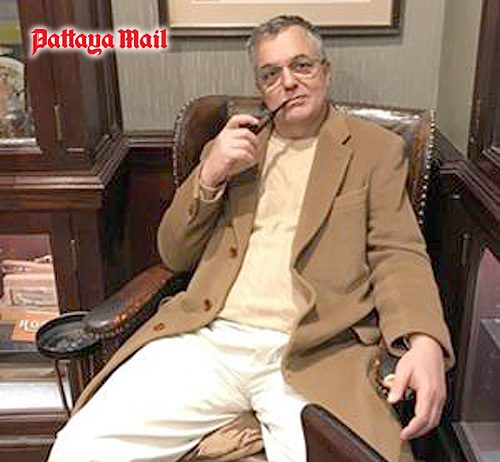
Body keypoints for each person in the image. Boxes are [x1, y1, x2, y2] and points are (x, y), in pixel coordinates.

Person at [48, 15, 454, 462]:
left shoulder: (374, 149)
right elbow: (174, 254)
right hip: (212, 338)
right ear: (261, 88)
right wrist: (210, 174)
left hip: (315, 351)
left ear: (325, 71)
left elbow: (398, 253)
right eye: (270, 74)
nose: (288, 82)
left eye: (302, 66)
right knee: (79, 449)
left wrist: (423, 340)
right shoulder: (233, 147)